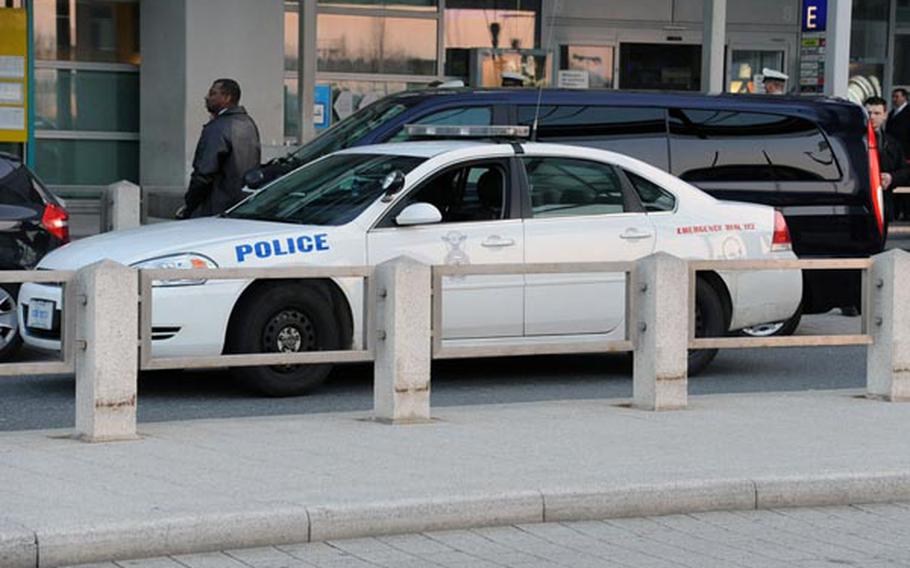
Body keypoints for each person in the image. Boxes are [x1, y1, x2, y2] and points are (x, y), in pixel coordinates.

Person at [178, 79, 261, 219]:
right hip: (240, 205)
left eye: (212, 93)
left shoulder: (218, 128)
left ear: (227, 98)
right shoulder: (248, 124)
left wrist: (189, 205)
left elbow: (204, 173)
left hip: (214, 207)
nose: (207, 97)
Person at [865, 96, 910, 228]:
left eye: (877, 113)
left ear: (885, 115)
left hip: (883, 205)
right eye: (868, 113)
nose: (872, 117)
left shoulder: (892, 143)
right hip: (859, 205)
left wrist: (891, 178)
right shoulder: (851, 141)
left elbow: (905, 171)